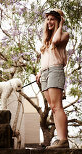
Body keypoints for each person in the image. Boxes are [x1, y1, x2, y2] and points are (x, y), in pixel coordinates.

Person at [36, 9, 69, 148]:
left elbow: (56, 40)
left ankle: (63, 140)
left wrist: (61, 25)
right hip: (44, 73)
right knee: (52, 108)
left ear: (59, 20)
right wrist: (39, 71)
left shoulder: (64, 35)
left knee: (57, 106)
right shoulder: (45, 40)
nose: (49, 22)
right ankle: (61, 139)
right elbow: (45, 58)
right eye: (48, 19)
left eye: (53, 19)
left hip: (55, 70)